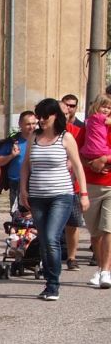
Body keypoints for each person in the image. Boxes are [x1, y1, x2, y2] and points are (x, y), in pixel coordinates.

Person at [19, 98, 88, 302]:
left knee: (51, 238)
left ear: (55, 116)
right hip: (37, 196)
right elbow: (26, 166)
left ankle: (53, 284)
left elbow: (78, 166)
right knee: (44, 240)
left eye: (45, 116)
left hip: (61, 196)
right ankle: (49, 282)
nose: (41, 120)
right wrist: (23, 191)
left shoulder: (66, 137)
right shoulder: (34, 137)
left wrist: (84, 194)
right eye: (38, 116)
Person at [78, 101, 111, 288]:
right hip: (90, 184)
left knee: (108, 229)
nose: (107, 110)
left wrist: (104, 159)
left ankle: (106, 271)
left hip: (110, 185)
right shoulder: (89, 126)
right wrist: (90, 165)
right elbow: (77, 151)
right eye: (104, 107)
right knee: (95, 233)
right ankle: (101, 268)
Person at [61, 93, 88, 269]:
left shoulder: (78, 130)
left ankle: (72, 257)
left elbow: (83, 156)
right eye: (64, 109)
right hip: (51, 185)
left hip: (73, 185)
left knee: (73, 223)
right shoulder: (43, 133)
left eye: (71, 107)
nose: (68, 111)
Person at [0, 110, 38, 215]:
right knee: (17, 215)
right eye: (28, 124)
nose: (31, 127)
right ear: (20, 124)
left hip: (36, 182)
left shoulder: (41, 139)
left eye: (33, 123)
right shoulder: (12, 141)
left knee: (36, 215)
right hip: (16, 183)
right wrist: (12, 155)